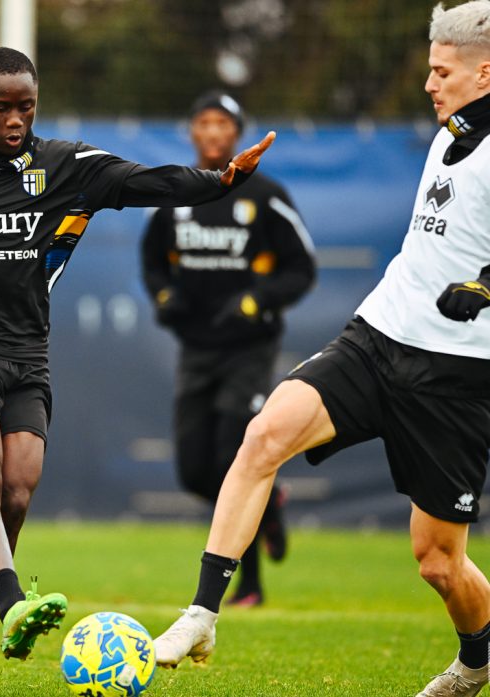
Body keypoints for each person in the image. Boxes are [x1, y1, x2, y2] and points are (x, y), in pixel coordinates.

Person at [0, 46, 276, 697]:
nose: (15, 120)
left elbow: (151, 183)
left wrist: (220, 182)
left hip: (25, 353)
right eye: (0, 107)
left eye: (25, 106)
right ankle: (12, 603)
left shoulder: (68, 168)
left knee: (17, 494)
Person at [152, 3, 490, 695]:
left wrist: (483, 287)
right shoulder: (449, 135)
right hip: (378, 337)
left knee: (437, 562)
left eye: (441, 71)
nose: (429, 83)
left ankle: (476, 662)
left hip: (454, 373)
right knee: (264, 434)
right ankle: (202, 613)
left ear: (485, 73)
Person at [141, 91, 316, 607]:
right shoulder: (179, 193)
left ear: (238, 133)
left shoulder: (265, 195)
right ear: (192, 131)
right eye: (204, 122)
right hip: (196, 349)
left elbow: (301, 268)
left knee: (231, 458)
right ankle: (271, 502)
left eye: (223, 123)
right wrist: (165, 295)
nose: (213, 132)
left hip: (249, 350)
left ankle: (251, 584)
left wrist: (257, 300)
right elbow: (153, 263)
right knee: (195, 471)